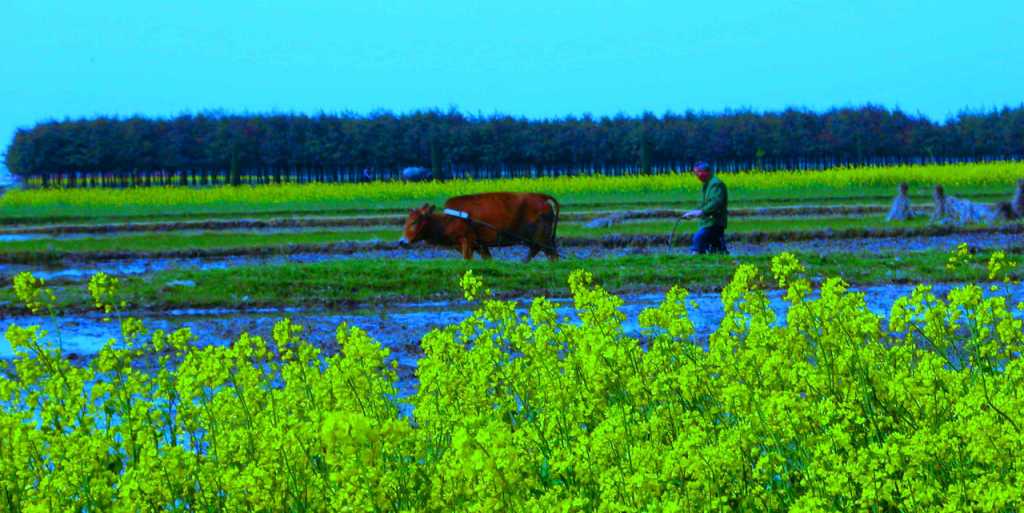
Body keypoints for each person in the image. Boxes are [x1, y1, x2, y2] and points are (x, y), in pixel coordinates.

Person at [681, 161, 728, 254]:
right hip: (708, 221)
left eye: (698, 172)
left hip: (714, 221)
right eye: (696, 173)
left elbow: (716, 203)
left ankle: (696, 255)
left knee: (699, 238)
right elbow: (705, 203)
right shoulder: (707, 184)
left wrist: (701, 212)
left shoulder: (715, 184)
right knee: (716, 247)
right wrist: (693, 213)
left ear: (707, 172)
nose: (697, 175)